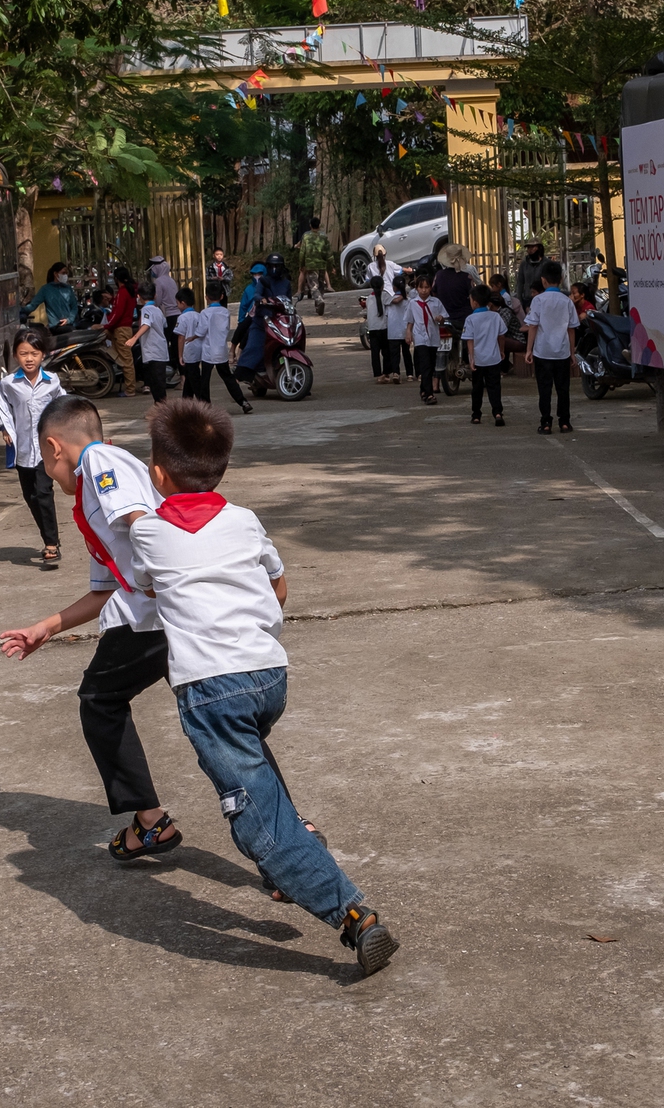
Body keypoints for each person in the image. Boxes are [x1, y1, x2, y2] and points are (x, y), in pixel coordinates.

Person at [127, 399, 400, 978]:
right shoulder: (245, 519)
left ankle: (353, 915)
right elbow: (278, 586)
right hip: (267, 675)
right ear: (222, 467)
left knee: (255, 820)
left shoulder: (147, 531)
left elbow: (144, 588)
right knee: (259, 769)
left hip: (211, 688)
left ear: (157, 473)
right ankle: (293, 862)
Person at [0, 395, 183, 860]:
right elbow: (104, 590)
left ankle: (152, 820)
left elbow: (141, 524)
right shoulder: (88, 496)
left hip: (165, 615)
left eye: (43, 457)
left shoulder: (101, 461)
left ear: (53, 447)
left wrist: (164, 587)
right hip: (154, 616)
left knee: (102, 701)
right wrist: (46, 627)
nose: (45, 468)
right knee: (211, 720)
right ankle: (284, 828)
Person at [0, 325, 67, 565]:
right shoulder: (7, 385)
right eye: (23, 353)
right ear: (15, 356)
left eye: (34, 353)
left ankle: (51, 544)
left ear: (42, 354)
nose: (29, 358)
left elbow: (63, 407)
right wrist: (4, 427)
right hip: (21, 450)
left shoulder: (52, 381)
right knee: (30, 495)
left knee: (43, 492)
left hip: (47, 448)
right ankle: (49, 536)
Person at [523, 260, 578, 433]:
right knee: (563, 389)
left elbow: (533, 326)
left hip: (542, 351)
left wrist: (528, 350)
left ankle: (546, 422)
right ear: (561, 279)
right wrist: (572, 352)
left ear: (543, 280)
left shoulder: (538, 300)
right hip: (561, 352)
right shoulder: (567, 301)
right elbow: (571, 329)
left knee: (544, 389)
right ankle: (564, 422)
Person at [198, 280, 252, 414]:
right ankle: (242, 401)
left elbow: (200, 332)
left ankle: (206, 406)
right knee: (228, 378)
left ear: (206, 297)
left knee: (204, 380)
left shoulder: (204, 313)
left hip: (208, 352)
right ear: (222, 296)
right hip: (221, 350)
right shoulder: (225, 313)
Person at [463, 284, 507, 426]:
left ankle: (476, 414)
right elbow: (501, 336)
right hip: (493, 358)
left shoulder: (470, 319)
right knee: (494, 386)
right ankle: (498, 412)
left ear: (474, 302)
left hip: (478, 359)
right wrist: (501, 350)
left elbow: (470, 340)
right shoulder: (495, 316)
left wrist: (471, 358)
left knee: (477, 388)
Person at [405, 272, 445, 405]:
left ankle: (423, 389)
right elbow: (410, 320)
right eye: (421, 287)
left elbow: (443, 318)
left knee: (431, 365)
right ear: (416, 288)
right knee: (425, 365)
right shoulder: (413, 303)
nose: (424, 290)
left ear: (430, 288)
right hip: (420, 337)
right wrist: (408, 333)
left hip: (433, 337)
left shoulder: (436, 302)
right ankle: (429, 394)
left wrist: (440, 319)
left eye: (426, 287)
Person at [106, 267, 139, 398]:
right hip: (125, 328)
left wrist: (106, 325)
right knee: (126, 359)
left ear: (116, 279)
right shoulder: (129, 291)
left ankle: (130, 390)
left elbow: (118, 313)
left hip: (121, 329)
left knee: (126, 360)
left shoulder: (123, 292)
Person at [135, 285, 171, 402]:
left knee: (157, 383)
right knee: (158, 382)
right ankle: (160, 408)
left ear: (139, 297)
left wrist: (134, 338)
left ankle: (162, 408)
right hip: (160, 349)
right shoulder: (157, 310)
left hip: (153, 350)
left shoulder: (146, 309)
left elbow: (146, 324)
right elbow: (164, 324)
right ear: (155, 295)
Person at [22, 262, 79, 330]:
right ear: (55, 274)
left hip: (70, 324)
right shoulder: (46, 289)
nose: (65, 275)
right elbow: (32, 305)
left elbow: (74, 307)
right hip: (56, 326)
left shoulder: (68, 289)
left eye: (66, 273)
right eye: (63, 273)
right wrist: (18, 311)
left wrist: (69, 320)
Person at [147, 257, 180, 370]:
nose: (152, 272)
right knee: (177, 346)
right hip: (177, 315)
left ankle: (164, 369)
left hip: (168, 317)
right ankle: (182, 376)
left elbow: (157, 301)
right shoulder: (171, 280)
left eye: (152, 269)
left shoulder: (158, 282)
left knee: (164, 344)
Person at [176, 288, 205, 400]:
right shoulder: (199, 315)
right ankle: (186, 400)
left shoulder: (182, 318)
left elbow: (181, 337)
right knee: (190, 376)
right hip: (199, 349)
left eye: (177, 303)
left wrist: (180, 355)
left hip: (189, 350)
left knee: (194, 377)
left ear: (182, 303)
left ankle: (202, 400)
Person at [299, 218, 333, 312]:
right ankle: (318, 307)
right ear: (319, 225)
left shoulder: (306, 236)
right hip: (322, 264)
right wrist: (332, 264)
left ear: (310, 225)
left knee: (313, 286)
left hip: (311, 265)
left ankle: (319, 301)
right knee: (321, 285)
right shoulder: (324, 237)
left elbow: (302, 252)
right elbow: (328, 252)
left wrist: (301, 264)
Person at [363, 276, 391, 382]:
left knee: (375, 353)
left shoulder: (369, 298)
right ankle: (386, 372)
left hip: (372, 328)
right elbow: (394, 301)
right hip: (383, 328)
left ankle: (378, 374)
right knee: (386, 351)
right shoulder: (385, 295)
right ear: (382, 285)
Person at [384, 275, 412, 383]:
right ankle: (410, 374)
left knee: (394, 354)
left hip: (393, 331)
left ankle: (396, 373)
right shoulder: (408, 301)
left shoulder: (389, 301)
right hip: (405, 331)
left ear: (394, 287)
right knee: (406, 353)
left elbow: (386, 315)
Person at [515, 238, 551, 308]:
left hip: (542, 299)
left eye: (532, 247)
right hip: (527, 299)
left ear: (539, 248)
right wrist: (519, 299)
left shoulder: (546, 263)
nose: (530, 250)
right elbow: (520, 282)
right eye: (528, 248)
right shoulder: (524, 263)